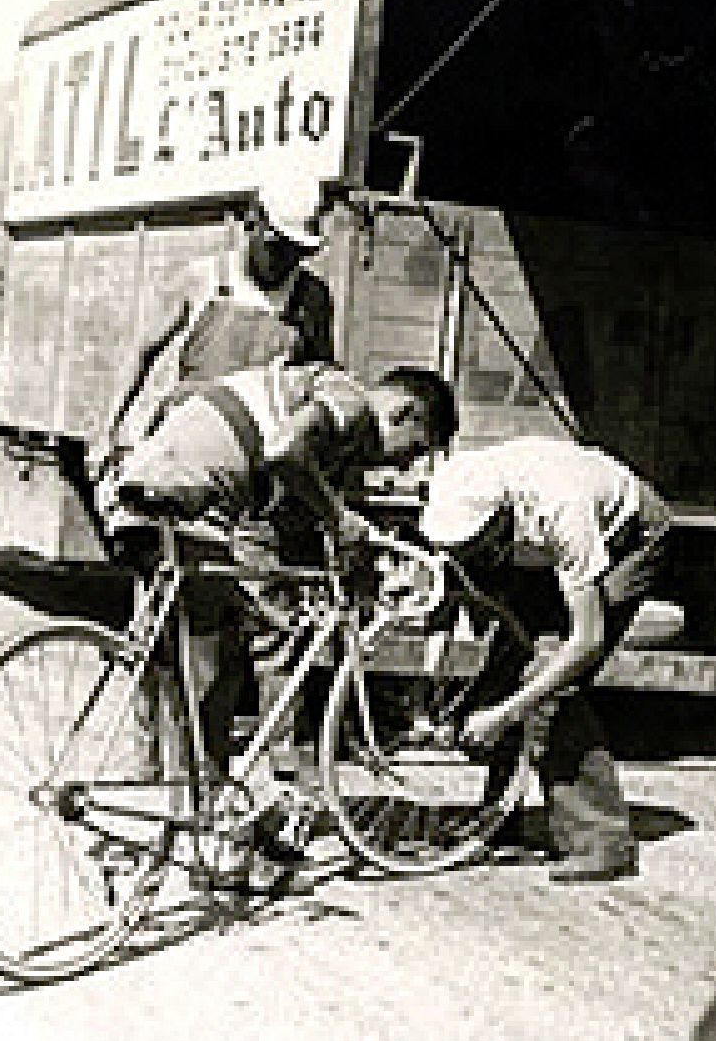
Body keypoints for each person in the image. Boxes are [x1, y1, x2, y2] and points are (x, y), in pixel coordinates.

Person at [101, 357, 458, 884]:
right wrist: (339, 521)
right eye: (417, 449)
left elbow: (279, 496)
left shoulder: (308, 402)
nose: (406, 468)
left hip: (145, 487)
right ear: (404, 413)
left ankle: (204, 828)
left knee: (207, 669)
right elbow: (283, 450)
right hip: (192, 500)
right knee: (265, 649)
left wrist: (335, 538)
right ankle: (232, 830)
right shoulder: (350, 400)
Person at [420, 436, 671, 883]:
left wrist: (504, 715)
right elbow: (456, 601)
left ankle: (602, 841)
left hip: (627, 537)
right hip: (543, 538)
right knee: (504, 666)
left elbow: (587, 641)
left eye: (476, 547)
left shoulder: (560, 510)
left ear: (500, 522)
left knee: (550, 680)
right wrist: (434, 688)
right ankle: (497, 821)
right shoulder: (463, 489)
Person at [96, 179, 336, 476]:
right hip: (185, 444)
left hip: (258, 458)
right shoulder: (202, 279)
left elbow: (321, 378)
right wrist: (109, 430)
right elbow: (138, 354)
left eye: (296, 251)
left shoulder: (311, 298)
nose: (287, 261)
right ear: (253, 223)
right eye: (278, 247)